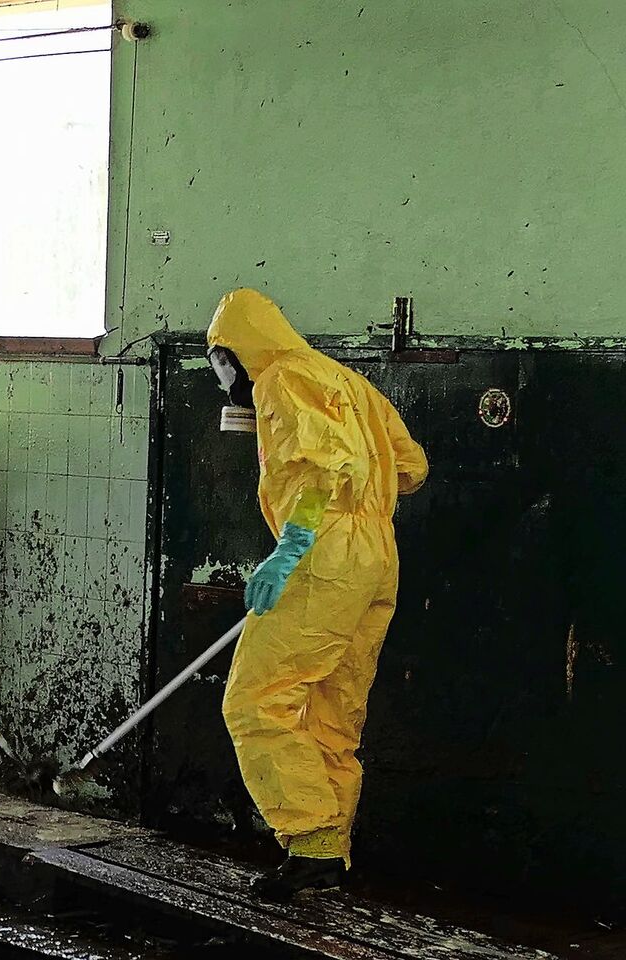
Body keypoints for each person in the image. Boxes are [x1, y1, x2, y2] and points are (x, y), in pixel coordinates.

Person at [206, 288, 429, 901]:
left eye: (219, 362)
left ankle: (309, 836)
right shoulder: (347, 380)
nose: (222, 377)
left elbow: (321, 470)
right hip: (376, 552)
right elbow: (412, 468)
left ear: (234, 351)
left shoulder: (281, 378)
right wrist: (366, 499)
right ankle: (328, 850)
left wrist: (293, 545)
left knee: (255, 701)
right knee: (333, 705)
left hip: (323, 553)